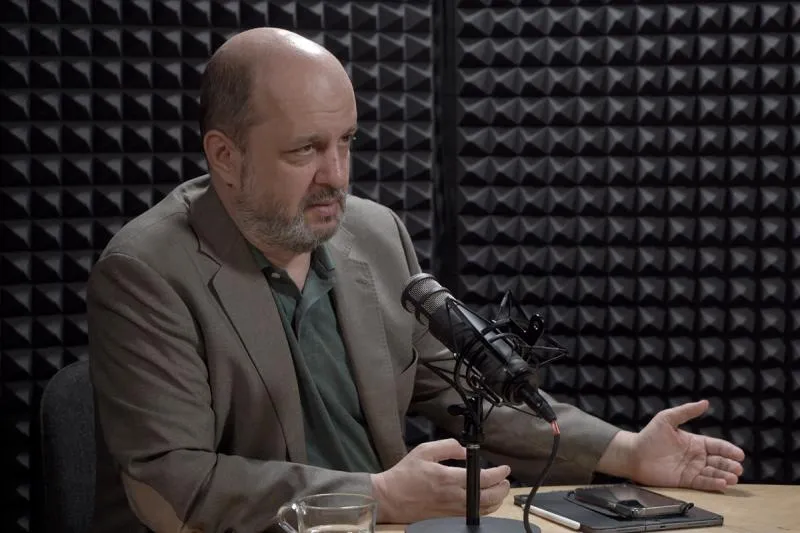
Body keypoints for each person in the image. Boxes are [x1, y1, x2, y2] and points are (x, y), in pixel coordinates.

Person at [87, 27, 745, 533]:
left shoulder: (375, 235)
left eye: (346, 141)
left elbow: (464, 390)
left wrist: (626, 452)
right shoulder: (148, 272)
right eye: (306, 149)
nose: (336, 176)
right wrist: (375, 496)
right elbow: (177, 483)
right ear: (225, 157)